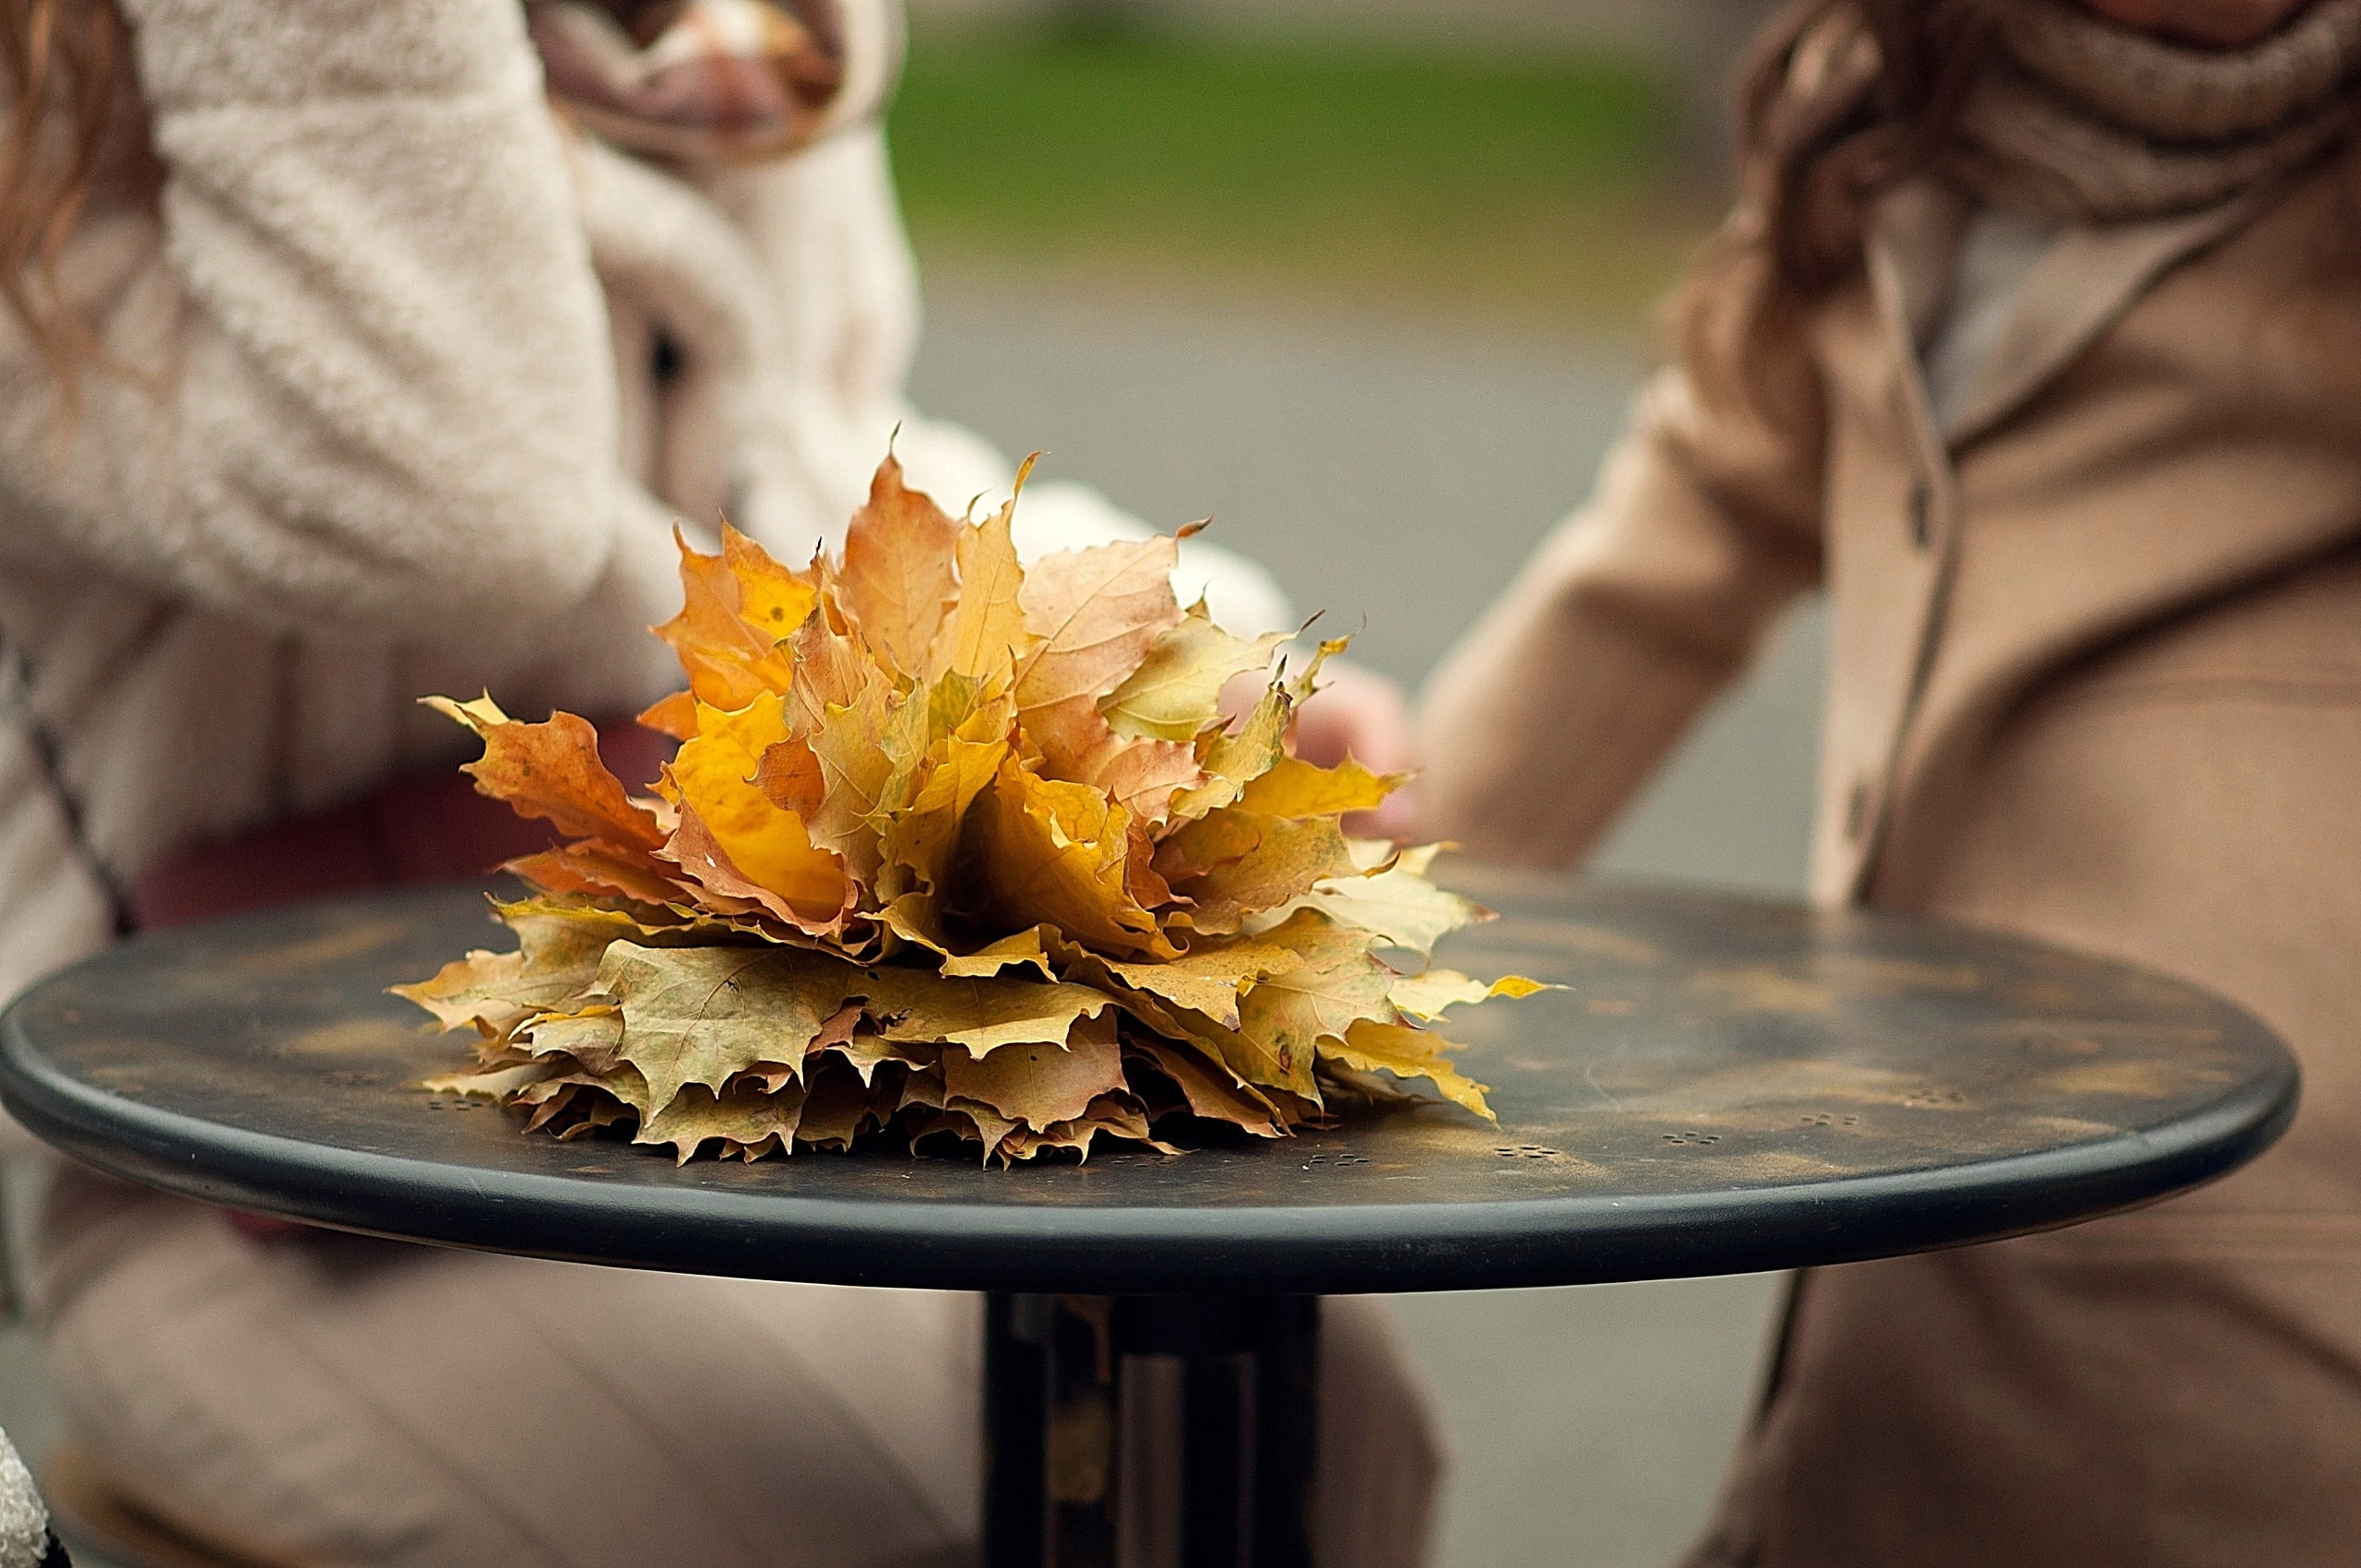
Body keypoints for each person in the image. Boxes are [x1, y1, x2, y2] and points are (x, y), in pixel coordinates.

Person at [0, 2, 1435, 1563]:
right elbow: (448, 501)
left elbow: (805, 444)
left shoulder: (723, 41)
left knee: (1290, 1407)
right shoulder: (68, 101)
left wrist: (1178, 665)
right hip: (241, 1164)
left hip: (762, 1057)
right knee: (867, 1526)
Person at [1406, 0, 2361, 1562]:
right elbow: (1684, 533)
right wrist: (1342, 919)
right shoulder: (1889, 93)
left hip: (2271, 1281)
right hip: (1927, 1261)